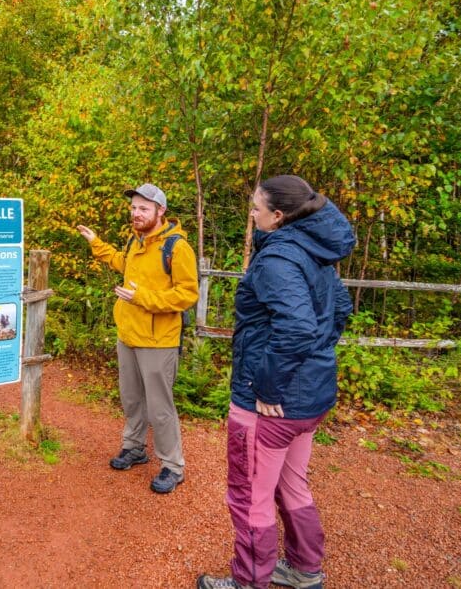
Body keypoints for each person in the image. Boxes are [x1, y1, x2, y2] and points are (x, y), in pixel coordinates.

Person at [197, 175, 355, 589]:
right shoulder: (316, 251)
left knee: (250, 496)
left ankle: (249, 581)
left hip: (271, 403)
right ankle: (304, 570)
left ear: (277, 216)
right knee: (292, 485)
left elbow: (300, 327)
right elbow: (338, 307)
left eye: (255, 208)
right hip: (309, 398)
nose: (251, 214)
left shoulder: (278, 259)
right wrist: (316, 358)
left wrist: (267, 386)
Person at [77, 183, 199, 494]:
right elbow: (123, 263)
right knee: (131, 399)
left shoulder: (176, 247)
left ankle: (173, 465)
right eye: (133, 208)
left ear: (161, 211)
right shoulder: (136, 241)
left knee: (160, 407)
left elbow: (187, 294)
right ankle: (134, 448)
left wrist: (142, 297)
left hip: (158, 340)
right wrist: (97, 244)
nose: (136, 213)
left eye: (143, 208)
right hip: (128, 334)